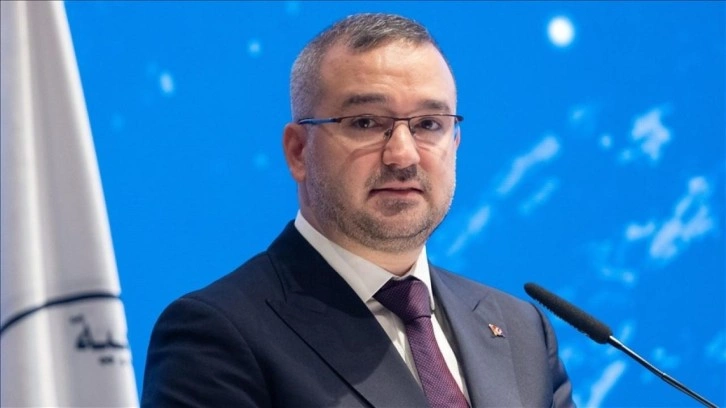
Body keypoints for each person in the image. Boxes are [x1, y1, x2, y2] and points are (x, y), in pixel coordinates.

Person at [141, 12, 574, 408]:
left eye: (428, 125)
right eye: (366, 122)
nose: (403, 155)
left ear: (455, 142)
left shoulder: (521, 330)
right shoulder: (218, 335)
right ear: (298, 151)